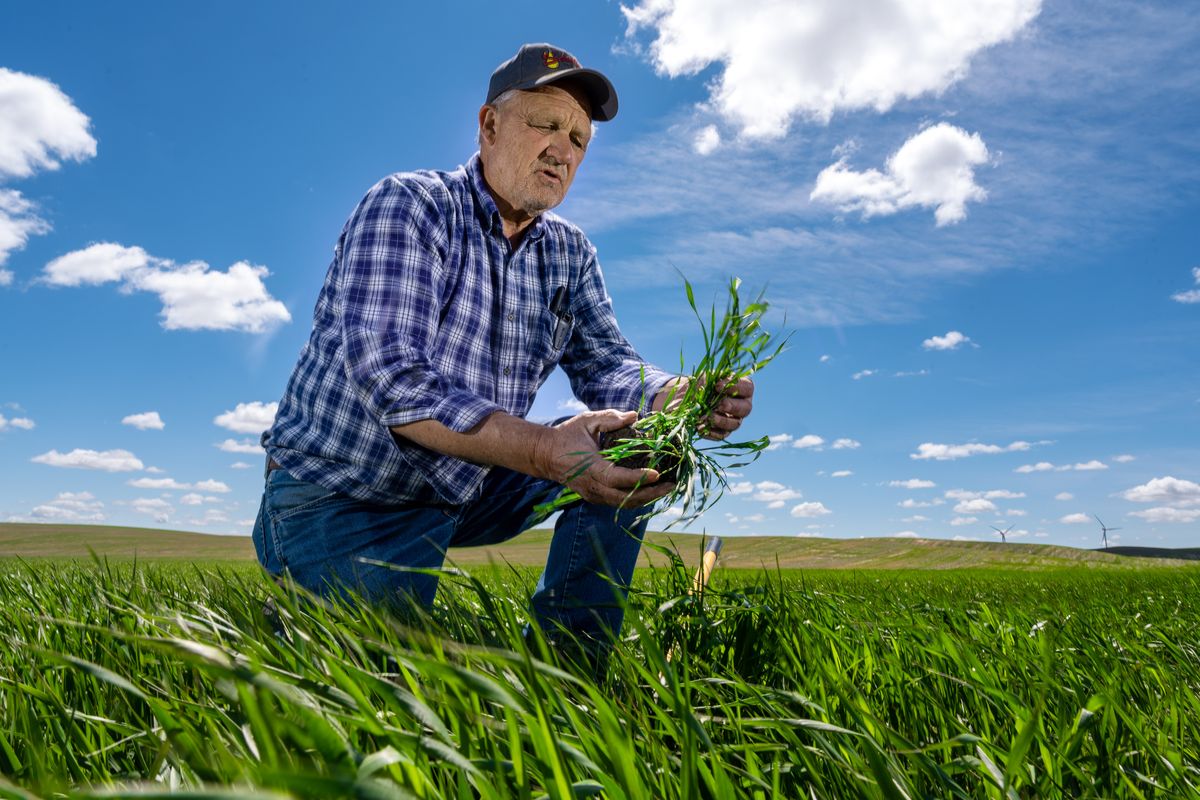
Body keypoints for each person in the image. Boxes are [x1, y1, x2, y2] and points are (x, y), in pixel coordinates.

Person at [253, 43, 753, 660]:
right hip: (348, 494)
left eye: (578, 139)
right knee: (374, 705)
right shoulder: (411, 206)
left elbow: (607, 363)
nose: (564, 150)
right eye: (546, 124)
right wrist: (546, 449)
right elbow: (395, 381)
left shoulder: (569, 253)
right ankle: (304, 596)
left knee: (640, 446)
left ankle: (568, 676)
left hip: (461, 488)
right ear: (489, 126)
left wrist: (671, 394)